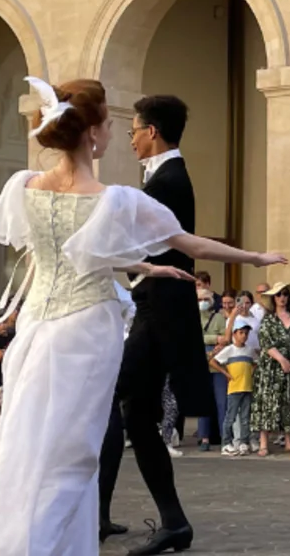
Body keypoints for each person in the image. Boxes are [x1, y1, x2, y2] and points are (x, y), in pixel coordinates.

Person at [0, 77, 283, 556]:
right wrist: (255, 257)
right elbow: (190, 242)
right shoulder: (113, 199)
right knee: (72, 456)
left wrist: (147, 265)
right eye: (110, 123)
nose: (116, 133)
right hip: (85, 329)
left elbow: (76, 252)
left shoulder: (25, 187)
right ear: (92, 133)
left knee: (25, 451)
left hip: (36, 333)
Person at [98, 93, 219, 552]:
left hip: (160, 308)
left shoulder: (168, 181)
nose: (129, 139)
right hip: (154, 304)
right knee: (135, 412)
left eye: (132, 131)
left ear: (151, 131)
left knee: (111, 398)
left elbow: (160, 244)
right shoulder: (164, 177)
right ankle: (168, 521)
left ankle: (106, 513)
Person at [252, 282, 290, 456]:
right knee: (268, 403)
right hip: (271, 366)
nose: (282, 298)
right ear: (273, 298)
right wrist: (281, 359)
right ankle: (264, 443)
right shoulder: (268, 319)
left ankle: (289, 441)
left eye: (285, 294)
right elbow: (266, 343)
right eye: (279, 294)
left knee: (289, 402)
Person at [211, 317, 258, 457]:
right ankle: (226, 443)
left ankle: (243, 442)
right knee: (230, 417)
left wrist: (251, 371)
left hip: (247, 387)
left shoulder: (249, 350)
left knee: (245, 417)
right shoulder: (229, 350)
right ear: (234, 334)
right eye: (241, 333)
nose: (244, 336)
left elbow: (256, 362)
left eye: (246, 333)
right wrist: (226, 373)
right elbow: (213, 361)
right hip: (234, 388)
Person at [197, 288, 234, 451]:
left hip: (217, 362)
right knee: (203, 402)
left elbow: (225, 339)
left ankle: (225, 437)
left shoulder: (218, 317)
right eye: (199, 299)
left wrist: (214, 346)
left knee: (222, 403)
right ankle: (203, 438)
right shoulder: (192, 316)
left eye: (205, 299)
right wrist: (214, 338)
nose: (202, 303)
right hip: (200, 364)